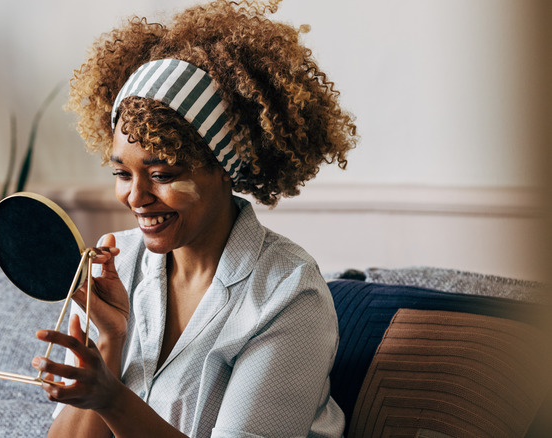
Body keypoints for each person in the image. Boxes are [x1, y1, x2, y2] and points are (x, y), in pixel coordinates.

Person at [31, 1, 357, 436]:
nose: (136, 196)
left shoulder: (288, 294)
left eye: (162, 174)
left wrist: (112, 397)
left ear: (224, 165)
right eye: (122, 173)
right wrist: (110, 343)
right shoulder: (117, 262)